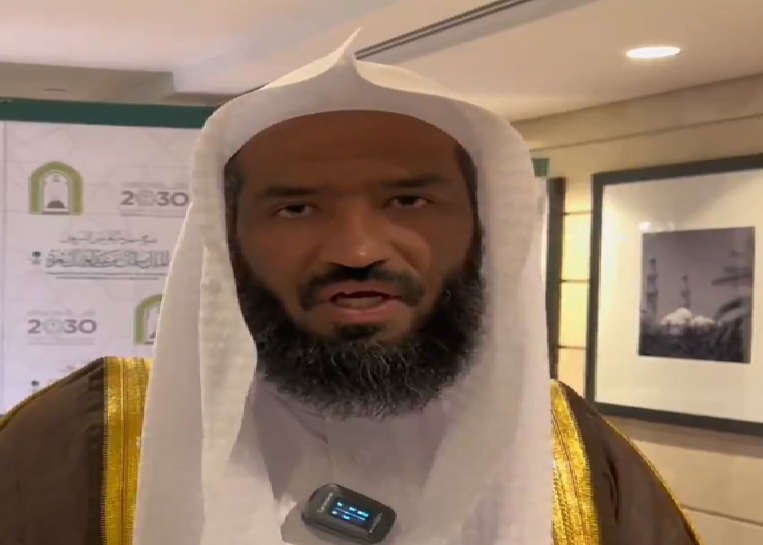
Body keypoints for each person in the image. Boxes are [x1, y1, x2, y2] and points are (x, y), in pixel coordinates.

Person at [0, 35, 703, 545]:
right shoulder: (87, 436)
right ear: (228, 241)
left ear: (483, 228)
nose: (357, 251)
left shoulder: (572, 451)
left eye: (408, 202)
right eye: (296, 208)